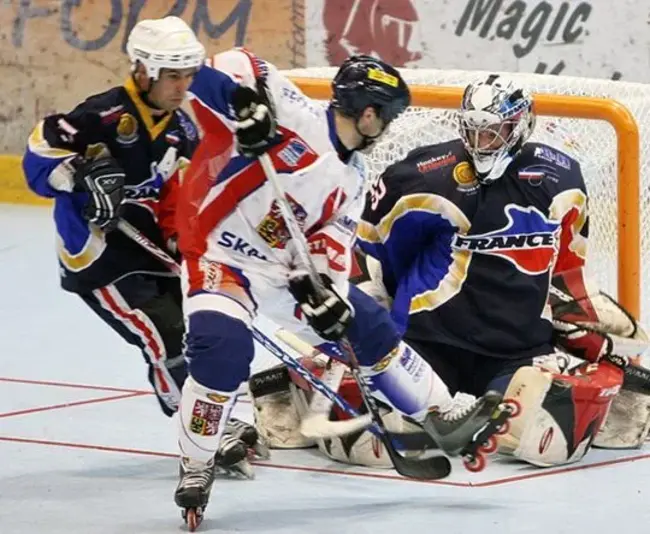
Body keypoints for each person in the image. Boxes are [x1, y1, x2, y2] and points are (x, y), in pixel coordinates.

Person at [171, 50, 515, 527]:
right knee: (221, 353)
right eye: (389, 117)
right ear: (370, 113)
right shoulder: (293, 113)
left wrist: (325, 296)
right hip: (221, 258)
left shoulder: (352, 179)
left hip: (284, 272)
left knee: (366, 326)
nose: (389, 127)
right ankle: (197, 463)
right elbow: (231, 63)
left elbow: (329, 246)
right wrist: (242, 101)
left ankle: (443, 411)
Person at [349, 74, 650, 468]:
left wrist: (589, 338)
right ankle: (299, 385)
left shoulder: (562, 180)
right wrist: (367, 323)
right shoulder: (422, 175)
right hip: (429, 344)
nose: (482, 142)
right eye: (474, 131)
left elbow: (563, 274)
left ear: (521, 125)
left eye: (495, 131)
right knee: (371, 448)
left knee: (545, 442)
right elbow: (362, 249)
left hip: (515, 351)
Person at [21, 16, 265, 472]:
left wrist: (179, 240)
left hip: (150, 252)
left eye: (187, 75)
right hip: (99, 257)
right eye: (172, 75)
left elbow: (178, 197)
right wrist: (81, 175)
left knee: (200, 329)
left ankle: (223, 415)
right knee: (165, 333)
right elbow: (39, 154)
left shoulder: (181, 131)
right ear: (143, 70)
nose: (182, 85)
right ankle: (203, 430)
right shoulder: (101, 116)